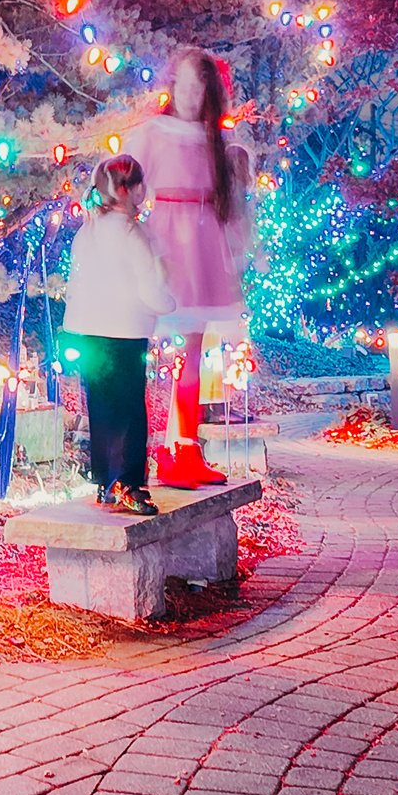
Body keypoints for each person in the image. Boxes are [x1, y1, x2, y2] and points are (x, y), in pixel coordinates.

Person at [128, 47, 252, 489]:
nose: (189, 93)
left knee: (195, 354)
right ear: (171, 86)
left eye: (198, 85)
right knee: (164, 350)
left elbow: (232, 205)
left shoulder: (213, 139)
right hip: (168, 239)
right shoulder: (153, 132)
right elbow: (125, 180)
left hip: (202, 239)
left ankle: (186, 446)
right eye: (182, 83)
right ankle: (157, 447)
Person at [62, 154, 176, 515]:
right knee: (128, 407)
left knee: (101, 405)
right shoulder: (133, 233)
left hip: (87, 332)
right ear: (130, 190)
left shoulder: (87, 231)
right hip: (124, 333)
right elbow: (151, 288)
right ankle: (129, 482)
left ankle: (105, 481)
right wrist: (168, 303)